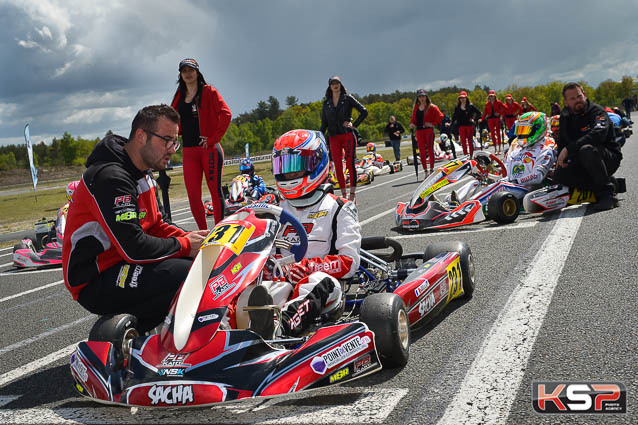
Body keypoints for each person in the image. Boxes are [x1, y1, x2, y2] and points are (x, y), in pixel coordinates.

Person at [62, 105, 209, 332]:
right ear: (141, 136)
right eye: (167, 141)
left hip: (124, 261)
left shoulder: (142, 171)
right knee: (188, 274)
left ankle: (165, 335)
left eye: (175, 142)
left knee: (206, 263)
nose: (173, 149)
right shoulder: (111, 178)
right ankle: (133, 338)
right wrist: (186, 245)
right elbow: (134, 247)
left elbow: (157, 225)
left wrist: (197, 240)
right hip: (95, 279)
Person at [241, 129, 361, 339]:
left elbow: (350, 262)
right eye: (283, 167)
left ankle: (280, 330)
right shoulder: (274, 209)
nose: (288, 174)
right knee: (248, 290)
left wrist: (307, 267)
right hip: (281, 282)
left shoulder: (339, 207)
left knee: (317, 281)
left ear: (316, 163)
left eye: (294, 167)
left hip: (325, 287)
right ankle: (223, 332)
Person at [170, 58, 232, 229]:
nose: (188, 74)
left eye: (191, 70)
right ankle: (204, 233)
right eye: (184, 71)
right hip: (189, 151)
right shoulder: (179, 95)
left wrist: (213, 139)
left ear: (197, 72)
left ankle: (219, 231)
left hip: (209, 149)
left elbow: (226, 114)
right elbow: (171, 117)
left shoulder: (209, 91)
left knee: (215, 192)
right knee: (193, 196)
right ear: (180, 75)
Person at [556, 82, 623, 210]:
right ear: (566, 102)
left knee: (586, 149)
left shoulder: (597, 111)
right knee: (559, 174)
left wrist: (569, 149)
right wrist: (560, 159)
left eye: (579, 96)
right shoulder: (565, 116)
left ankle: (608, 196)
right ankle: (607, 184)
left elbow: (598, 136)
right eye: (572, 99)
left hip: (607, 157)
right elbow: (562, 141)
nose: (577, 101)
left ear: (585, 95)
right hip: (581, 160)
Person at [320, 76, 368, 203]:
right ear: (329, 86)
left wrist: (354, 124)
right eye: (333, 83)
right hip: (333, 137)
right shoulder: (326, 103)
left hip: (347, 135)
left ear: (341, 85)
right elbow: (324, 124)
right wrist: (318, 137)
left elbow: (364, 111)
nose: (335, 85)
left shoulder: (348, 98)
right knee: (337, 166)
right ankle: (344, 195)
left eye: (337, 83)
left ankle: (352, 194)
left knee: (350, 164)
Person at [506, 112, 557, 186]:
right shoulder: (516, 150)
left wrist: (516, 182)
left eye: (525, 130)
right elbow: (507, 174)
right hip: (513, 187)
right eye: (520, 130)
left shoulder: (545, 151)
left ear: (537, 129)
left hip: (531, 190)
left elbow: (538, 176)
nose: (521, 134)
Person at [409, 89, 444, 174]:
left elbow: (441, 116)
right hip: (419, 131)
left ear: (426, 97)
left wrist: (433, 124)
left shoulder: (431, 106)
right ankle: (425, 171)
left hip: (428, 131)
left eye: (423, 96)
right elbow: (413, 119)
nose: (422, 98)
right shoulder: (416, 107)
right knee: (421, 151)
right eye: (420, 96)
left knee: (430, 150)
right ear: (418, 98)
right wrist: (412, 124)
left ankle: (431, 170)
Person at [452, 91, 481, 157]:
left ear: (466, 98)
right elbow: (454, 117)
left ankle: (471, 156)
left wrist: (474, 120)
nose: (462, 99)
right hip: (461, 127)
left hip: (469, 126)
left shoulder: (470, 106)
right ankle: (465, 156)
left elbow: (478, 112)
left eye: (464, 98)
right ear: (459, 99)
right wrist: (454, 123)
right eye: (461, 98)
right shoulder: (457, 108)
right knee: (463, 142)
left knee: (470, 141)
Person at [479, 90, 505, 154]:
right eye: (490, 96)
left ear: (495, 96)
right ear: (489, 97)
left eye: (492, 96)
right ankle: (495, 149)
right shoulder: (487, 104)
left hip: (497, 119)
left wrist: (500, 113)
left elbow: (504, 108)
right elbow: (485, 112)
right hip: (490, 119)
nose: (491, 97)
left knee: (498, 133)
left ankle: (499, 149)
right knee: (492, 134)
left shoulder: (499, 102)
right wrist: (482, 119)